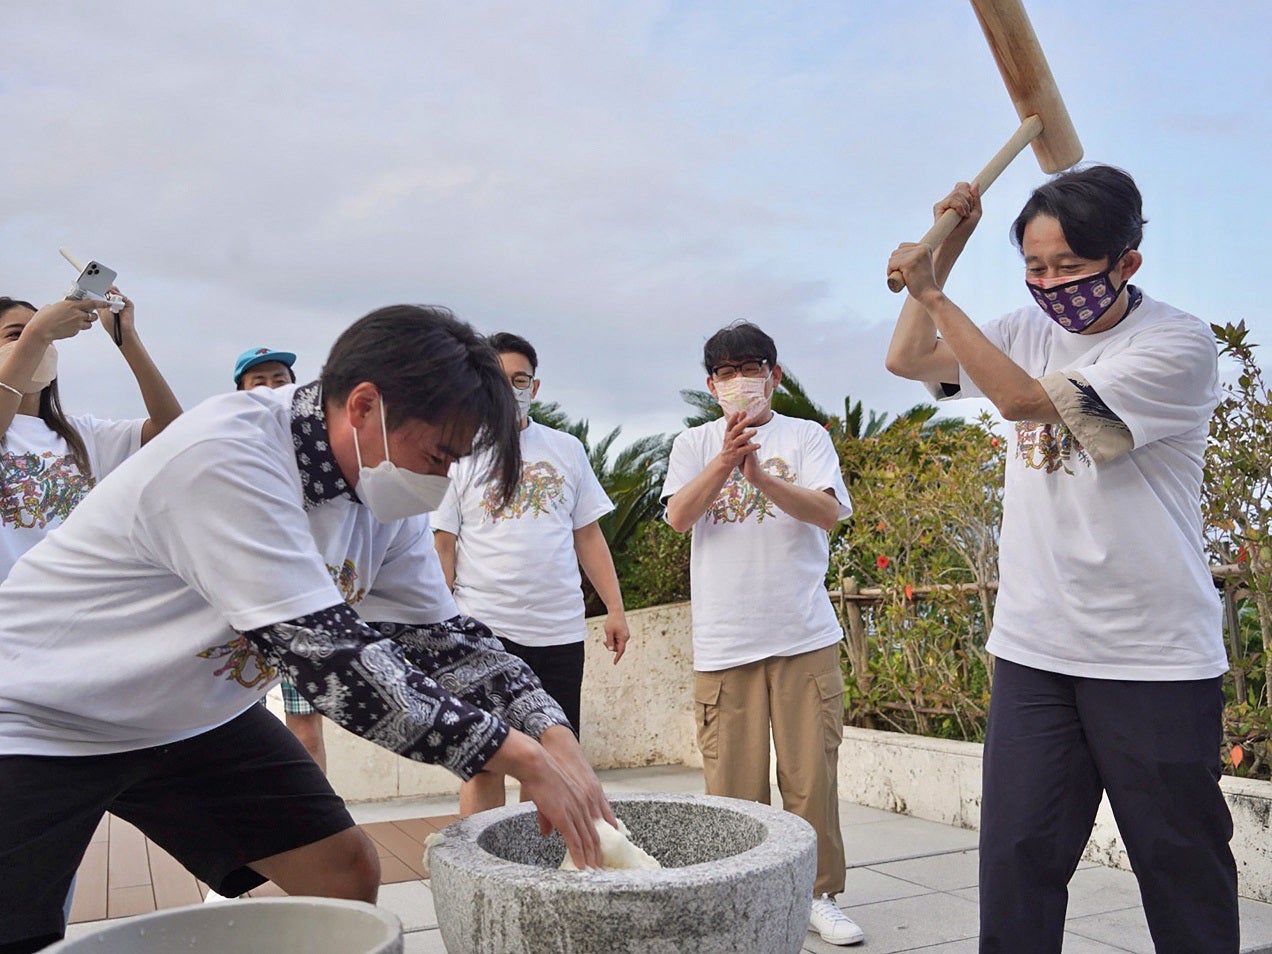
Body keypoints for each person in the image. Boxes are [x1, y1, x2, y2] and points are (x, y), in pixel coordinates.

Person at [0, 305, 613, 954]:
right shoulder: (228, 453)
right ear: (365, 406)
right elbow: (328, 662)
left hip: (191, 716)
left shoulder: (387, 490)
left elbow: (444, 640)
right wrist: (514, 754)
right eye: (438, 456)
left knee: (345, 870)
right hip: (42, 713)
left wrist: (552, 735)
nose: (439, 486)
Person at [885, 165, 1237, 953]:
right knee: (1017, 860)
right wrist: (943, 257)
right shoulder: (1021, 328)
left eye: (1070, 268)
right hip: (1036, 649)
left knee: (1178, 863)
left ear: (1127, 263)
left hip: (1152, 657)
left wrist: (938, 292)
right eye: (1036, 268)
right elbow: (910, 363)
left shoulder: (1175, 345)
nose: (1050, 285)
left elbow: (1021, 402)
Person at [661, 321, 863, 946]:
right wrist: (725, 460)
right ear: (711, 384)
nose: (741, 381)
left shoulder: (805, 437)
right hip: (725, 643)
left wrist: (763, 480)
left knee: (811, 782)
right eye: (727, 371)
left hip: (803, 636)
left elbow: (830, 513)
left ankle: (817, 894)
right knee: (731, 790)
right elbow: (677, 517)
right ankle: (732, 899)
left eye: (753, 368)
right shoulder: (692, 444)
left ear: (775, 374)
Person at [1, 291, 182, 934]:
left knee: (50, 856)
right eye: (12, 334)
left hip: (75, 654)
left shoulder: (80, 435)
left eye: (39, 335)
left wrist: (125, 338)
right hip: (7, 665)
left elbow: (170, 429)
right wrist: (36, 334)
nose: (34, 344)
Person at [432, 331, 630, 816]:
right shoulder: (457, 453)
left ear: (535, 387)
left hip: (559, 632)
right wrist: (438, 626)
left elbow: (589, 536)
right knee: (484, 763)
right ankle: (477, 878)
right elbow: (443, 545)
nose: (511, 388)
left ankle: (543, 878)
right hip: (483, 631)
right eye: (500, 380)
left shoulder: (567, 450)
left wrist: (615, 609)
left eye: (520, 379)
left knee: (554, 762)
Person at [233, 345, 326, 773]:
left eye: (280, 380)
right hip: (241, 612)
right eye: (259, 381)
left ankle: (319, 824)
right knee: (237, 731)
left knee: (306, 731)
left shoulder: (318, 452)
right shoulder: (230, 448)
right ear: (239, 392)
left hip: (301, 610)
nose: (272, 389)